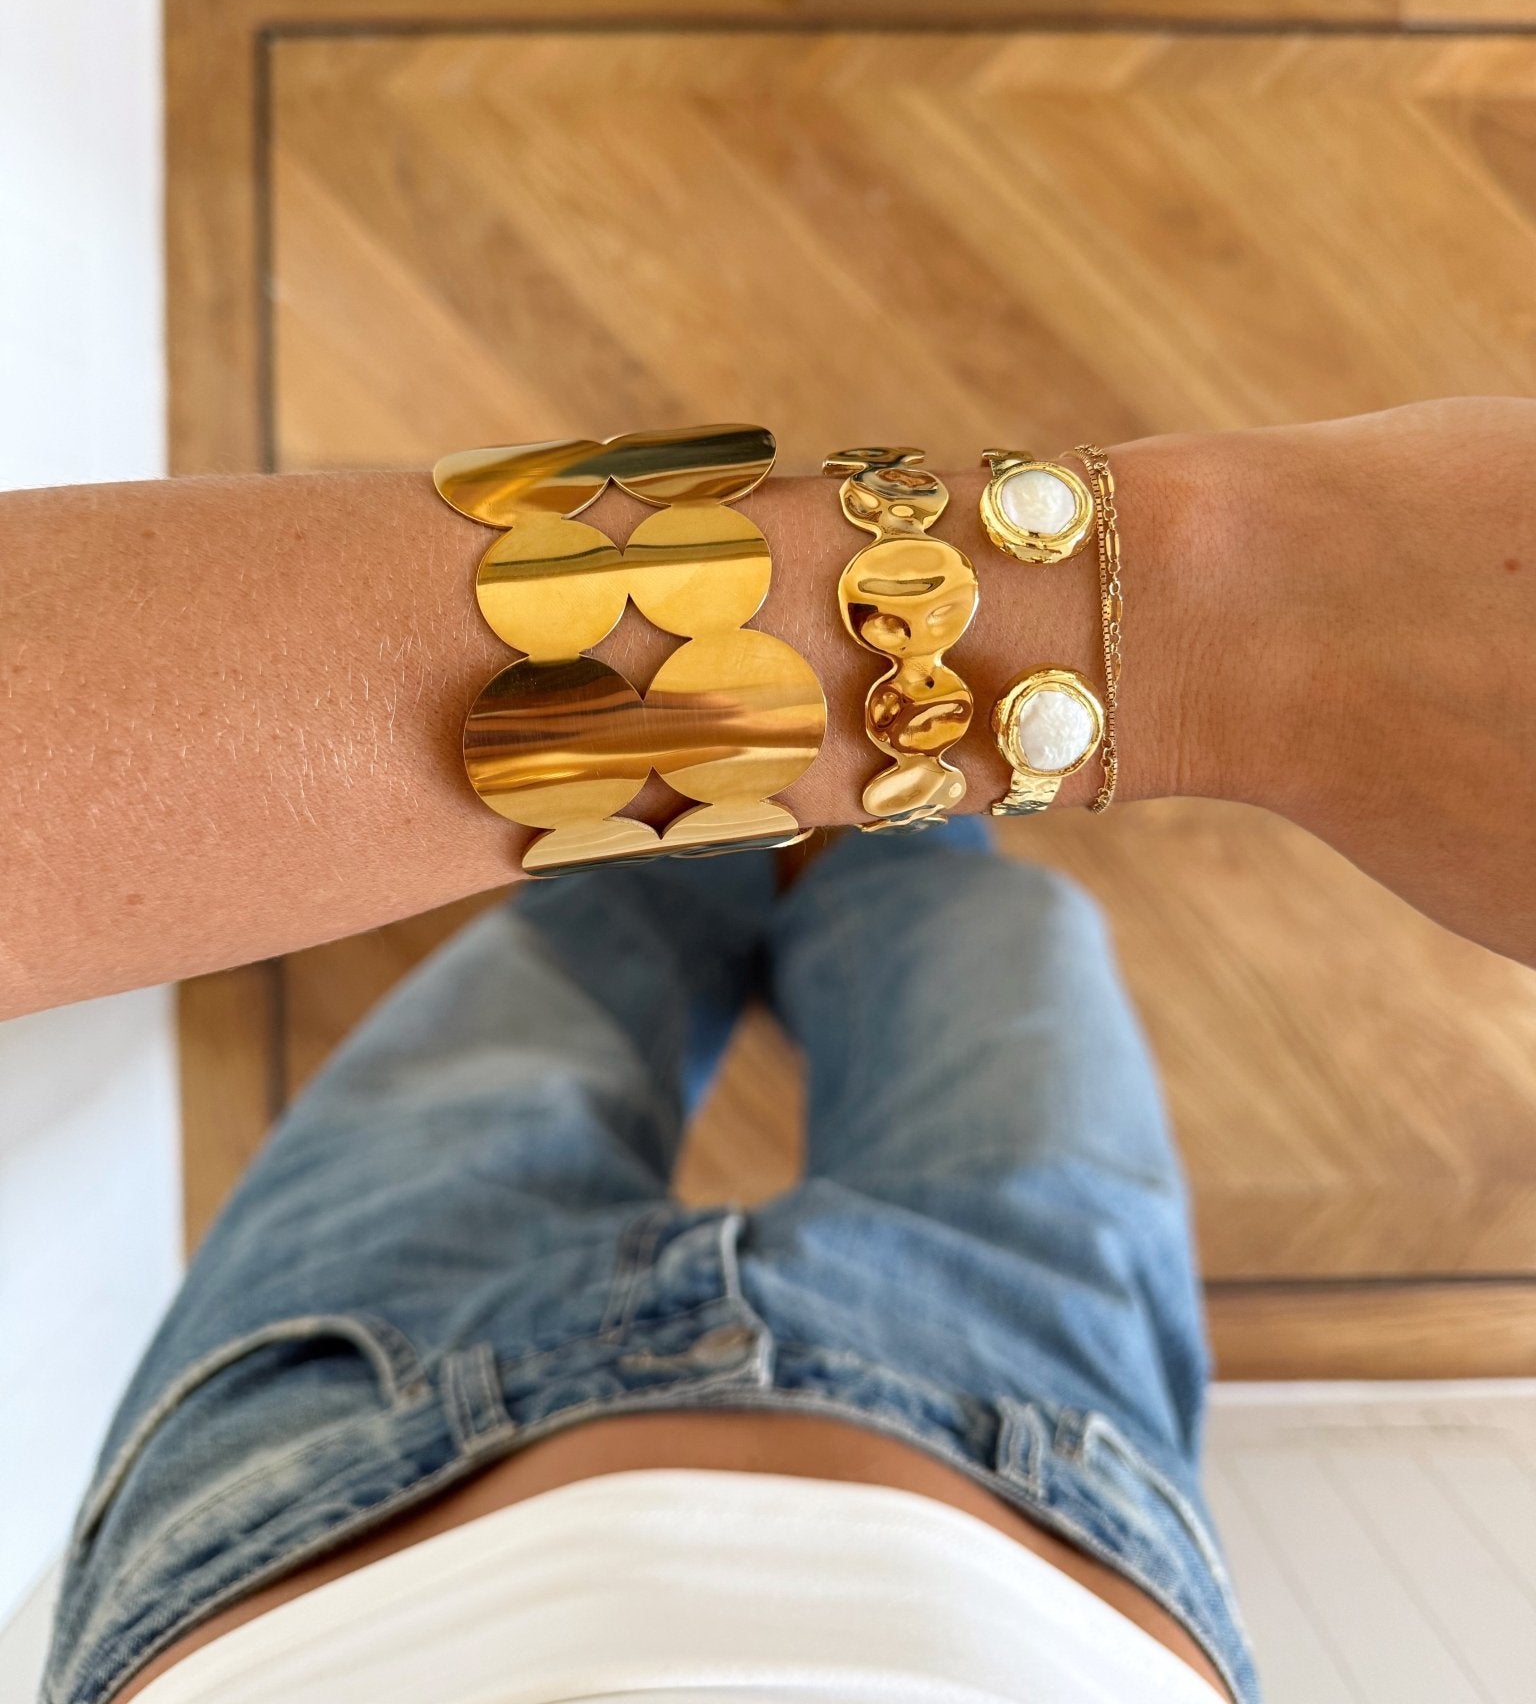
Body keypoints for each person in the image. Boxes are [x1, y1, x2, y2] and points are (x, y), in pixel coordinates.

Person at [6, 397, 1532, 1704]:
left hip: (307, 1496)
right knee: (980, 922)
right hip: (1051, 1486)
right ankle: (870, 762)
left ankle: (791, 757)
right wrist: (1204, 606)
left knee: (593, 919)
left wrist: (1226, 603)